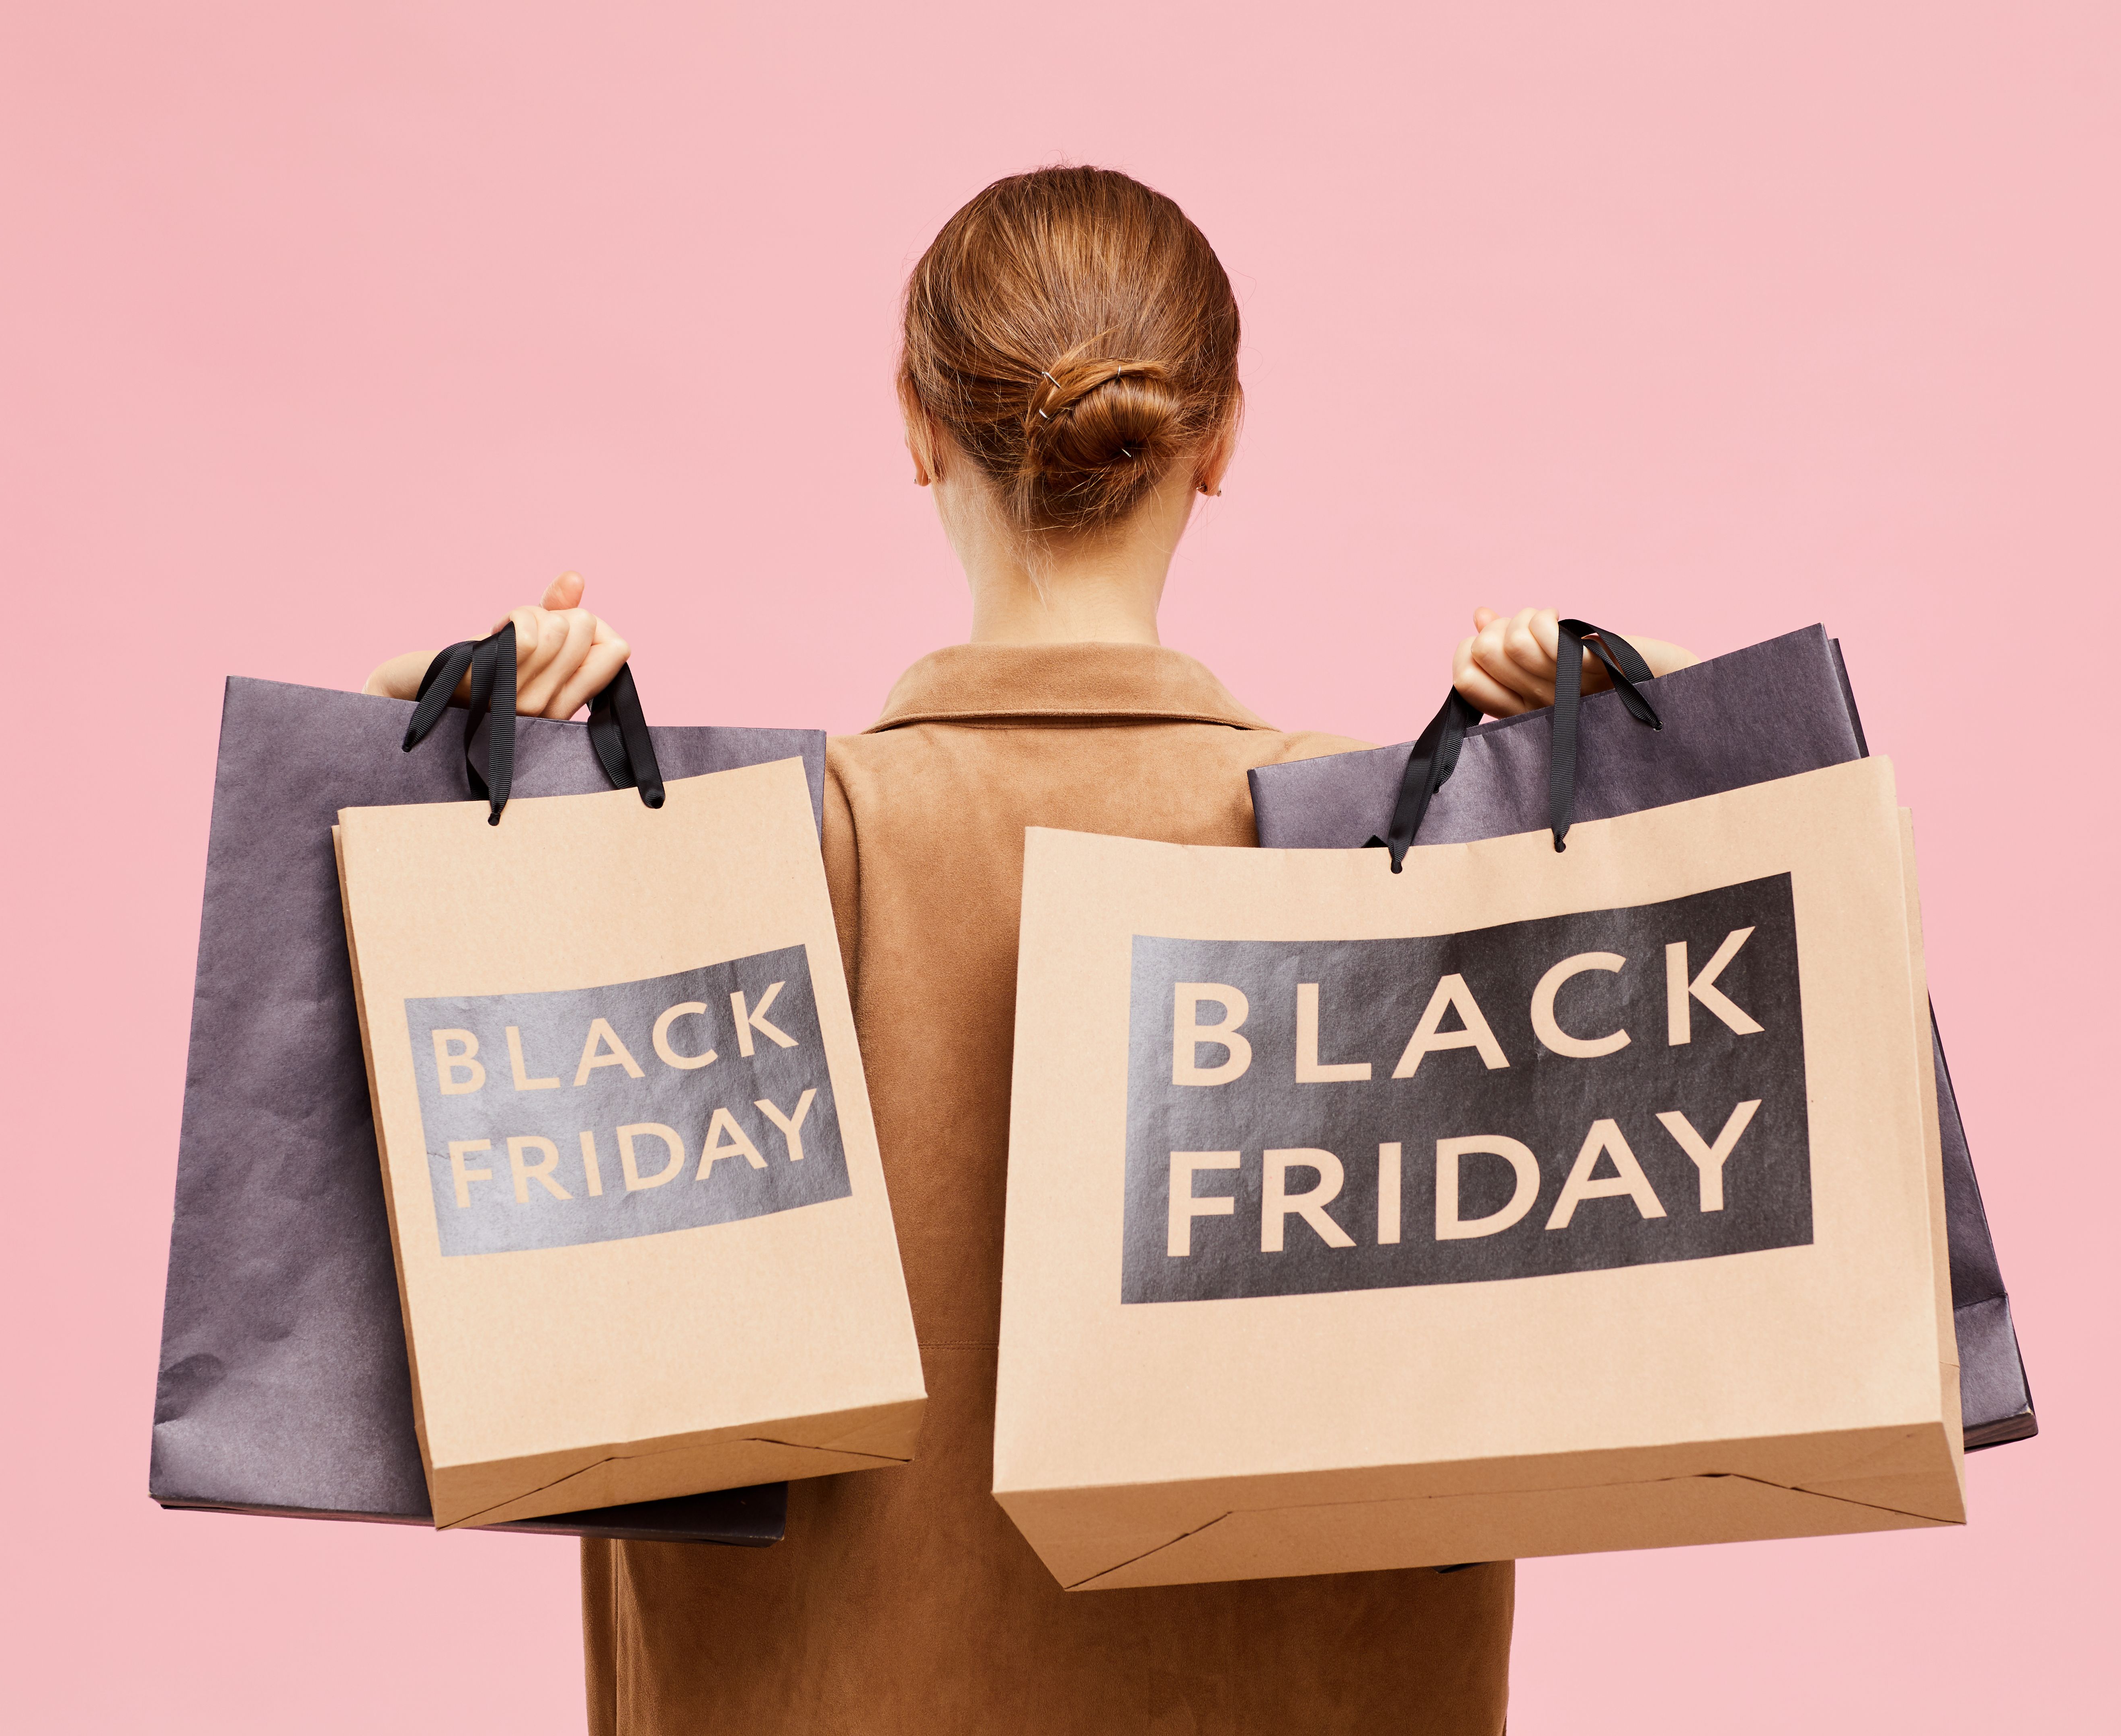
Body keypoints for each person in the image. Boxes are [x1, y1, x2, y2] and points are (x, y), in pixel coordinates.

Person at [368, 165, 1689, 1736]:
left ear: (918, 427)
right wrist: (1643, 725)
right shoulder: (1388, 875)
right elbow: (1789, 1037)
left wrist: (431, 720)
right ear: (1220, 440)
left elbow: (360, 1097)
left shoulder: (724, 864)